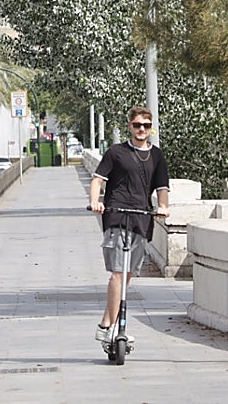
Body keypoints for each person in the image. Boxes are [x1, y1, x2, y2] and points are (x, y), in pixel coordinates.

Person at [88, 105, 170, 346]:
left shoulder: (157, 156)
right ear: (130, 126)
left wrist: (163, 207)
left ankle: (107, 326)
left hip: (141, 218)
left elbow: (162, 188)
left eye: (146, 125)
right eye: (137, 125)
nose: (141, 129)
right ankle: (112, 327)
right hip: (116, 216)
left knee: (128, 274)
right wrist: (95, 201)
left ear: (151, 128)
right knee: (117, 272)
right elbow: (98, 180)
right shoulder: (116, 152)